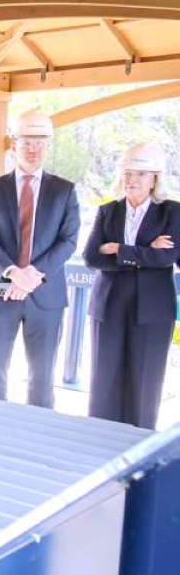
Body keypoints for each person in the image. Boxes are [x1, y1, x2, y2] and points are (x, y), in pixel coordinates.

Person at [0, 109, 80, 409]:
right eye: (27, 142)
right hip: (1, 294)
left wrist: (31, 275)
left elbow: (69, 240)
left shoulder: (64, 190)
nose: (34, 149)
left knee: (42, 377)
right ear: (14, 145)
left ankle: (39, 430)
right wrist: (13, 273)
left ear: (48, 146)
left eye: (40, 142)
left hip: (46, 296)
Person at [83, 143, 180, 429]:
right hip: (108, 305)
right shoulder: (108, 211)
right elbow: (91, 257)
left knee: (144, 385)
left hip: (152, 310)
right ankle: (99, 438)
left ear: (154, 179)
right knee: (104, 382)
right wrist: (145, 252)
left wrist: (119, 250)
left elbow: (166, 258)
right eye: (127, 173)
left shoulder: (173, 213)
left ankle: (137, 442)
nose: (132, 180)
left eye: (140, 173)